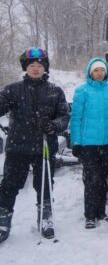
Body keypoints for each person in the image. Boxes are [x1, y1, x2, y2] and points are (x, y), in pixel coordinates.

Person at [0, 48, 69, 243]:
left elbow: (64, 117)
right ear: (25, 68)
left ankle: (45, 218)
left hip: (44, 147)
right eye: (32, 66)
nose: (36, 69)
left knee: (45, 184)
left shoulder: (55, 91)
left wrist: (53, 125)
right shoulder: (12, 90)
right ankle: (3, 220)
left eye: (40, 65)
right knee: (9, 185)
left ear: (45, 68)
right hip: (17, 147)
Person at [70, 58, 108, 229]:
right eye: (96, 70)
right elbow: (76, 118)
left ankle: (101, 211)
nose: (99, 73)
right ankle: (90, 214)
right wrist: (75, 142)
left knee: (104, 177)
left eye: (102, 70)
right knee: (92, 179)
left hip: (106, 142)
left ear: (106, 72)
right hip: (88, 143)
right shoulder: (82, 91)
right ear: (90, 73)